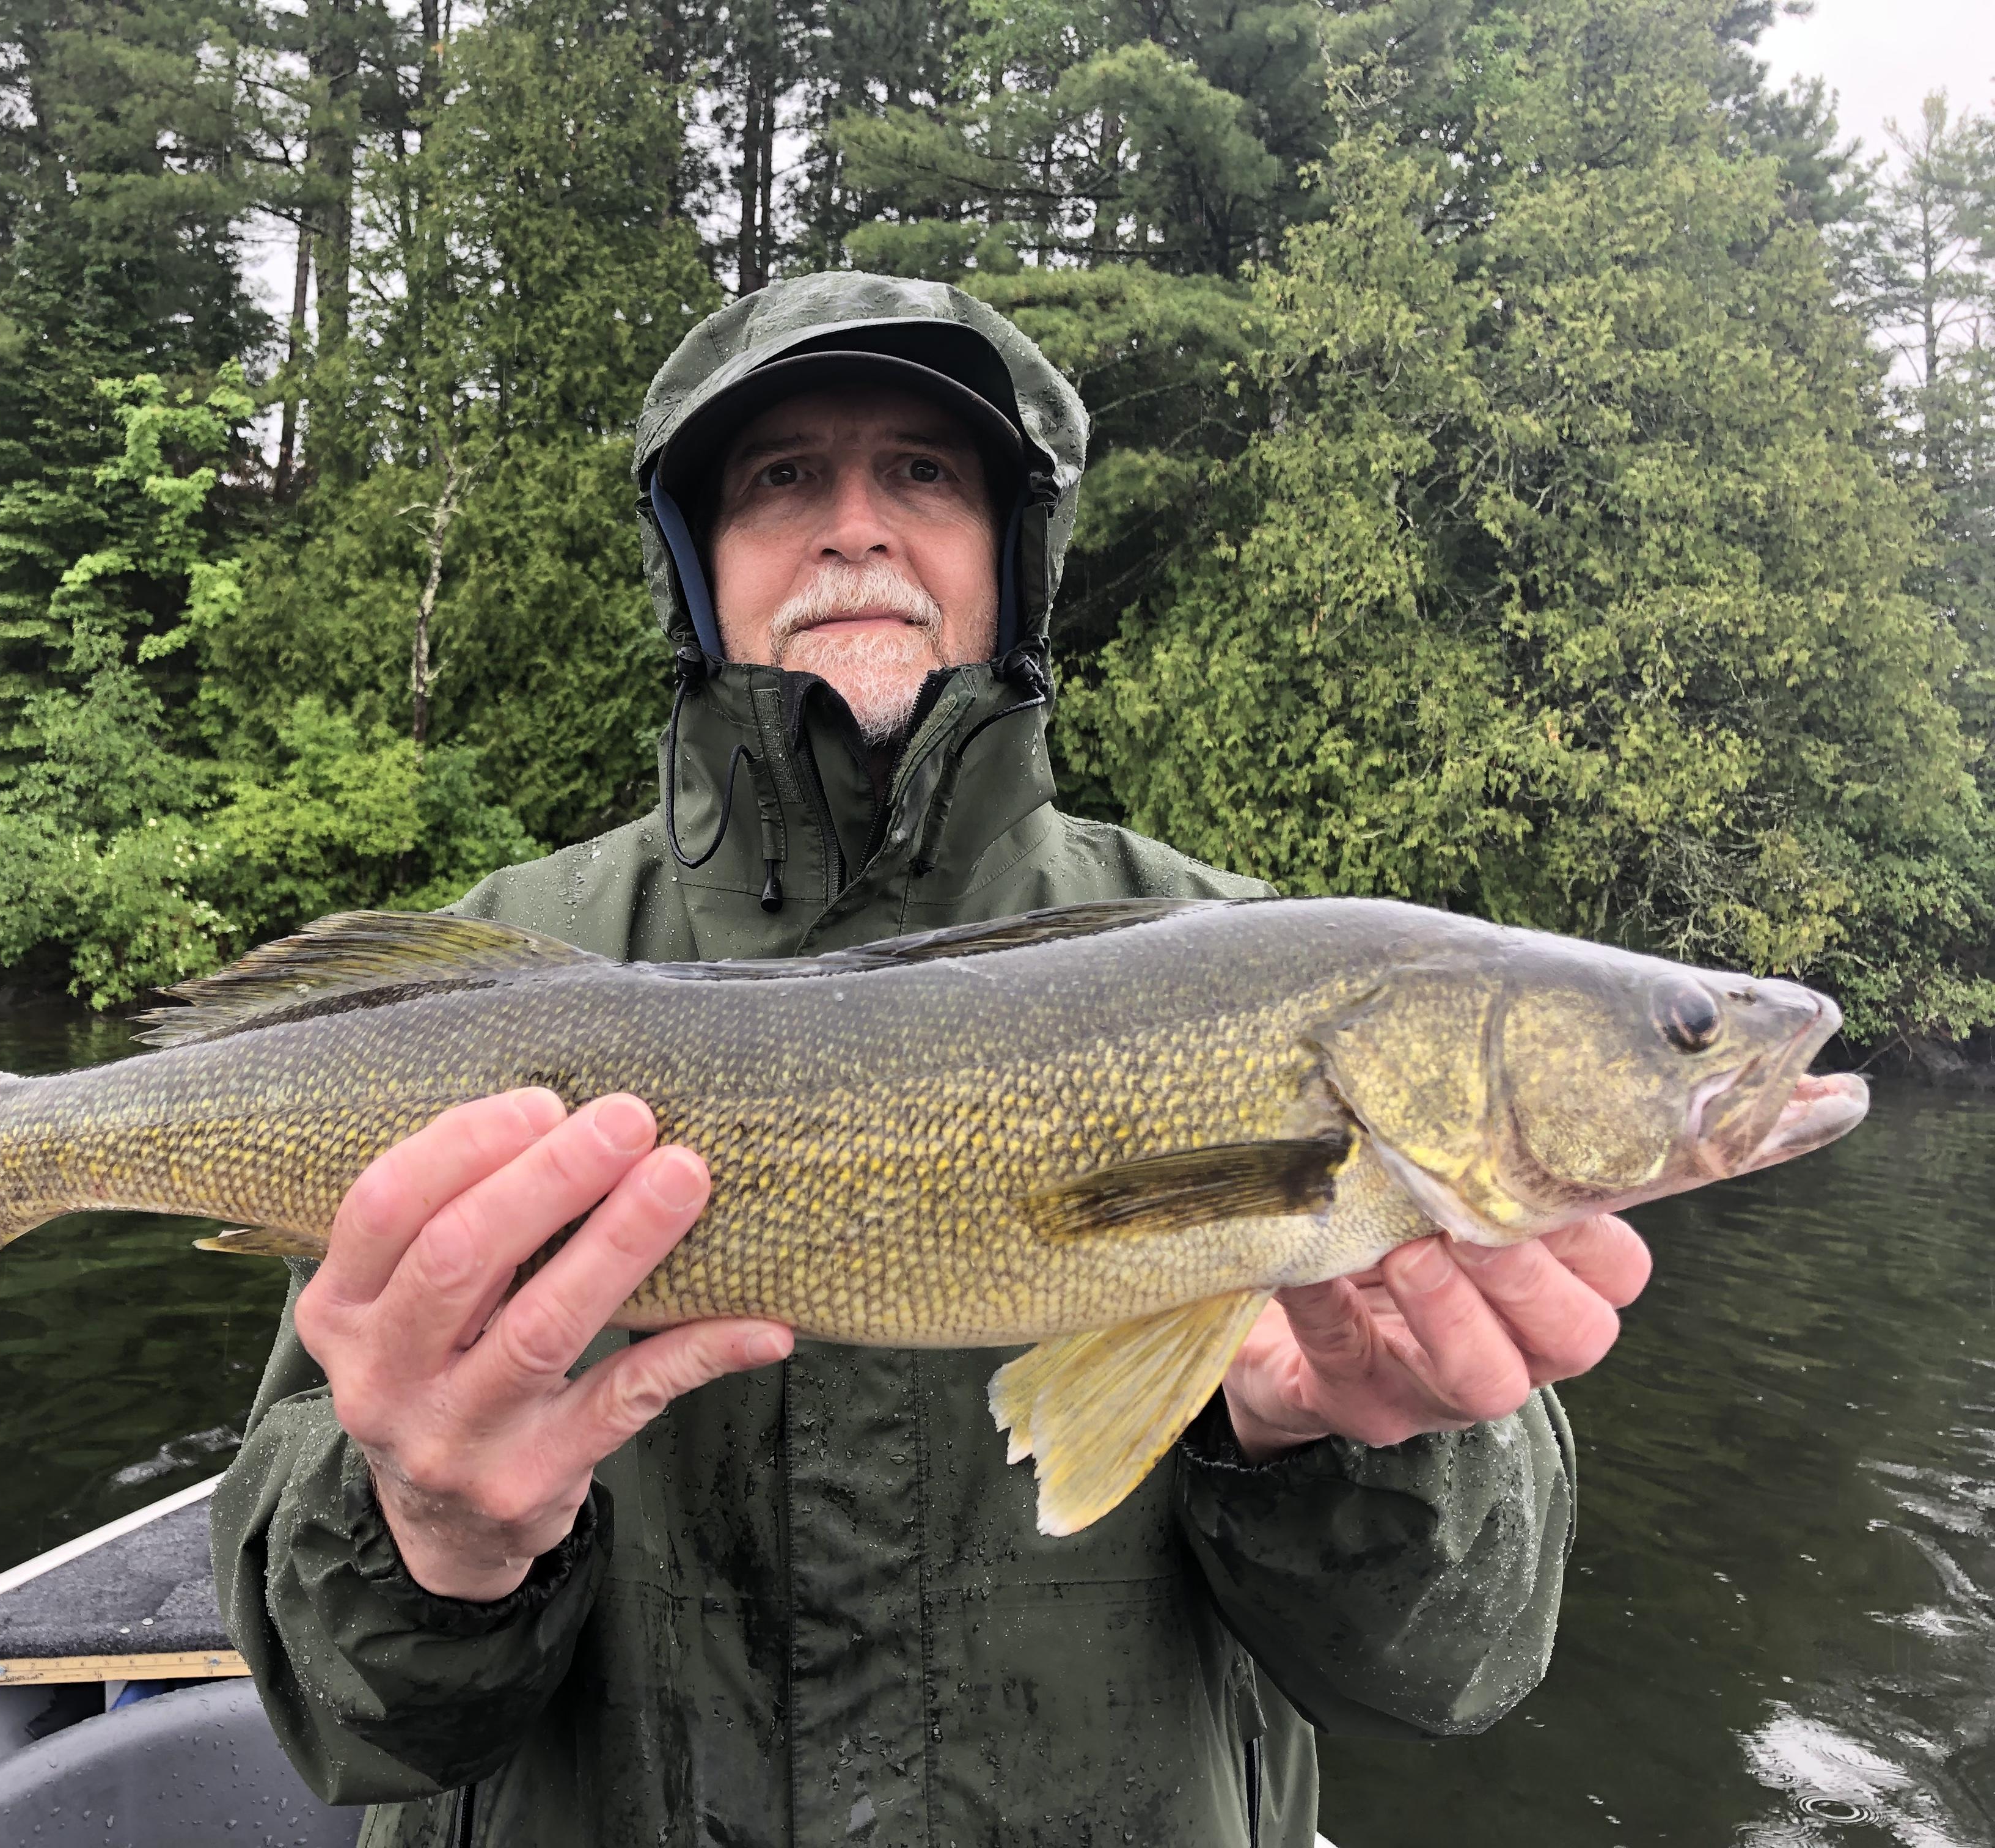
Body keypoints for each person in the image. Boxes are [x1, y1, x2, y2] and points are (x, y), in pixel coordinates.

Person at [210, 272, 1650, 1846]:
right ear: (699, 567)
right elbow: (346, 1721)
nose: (855, 526)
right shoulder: (501, 980)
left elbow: (1453, 1677)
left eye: (923, 473)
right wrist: (429, 1532)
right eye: (780, 478)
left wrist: (1327, 1443)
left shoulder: (1253, 958)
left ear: (1011, 554)